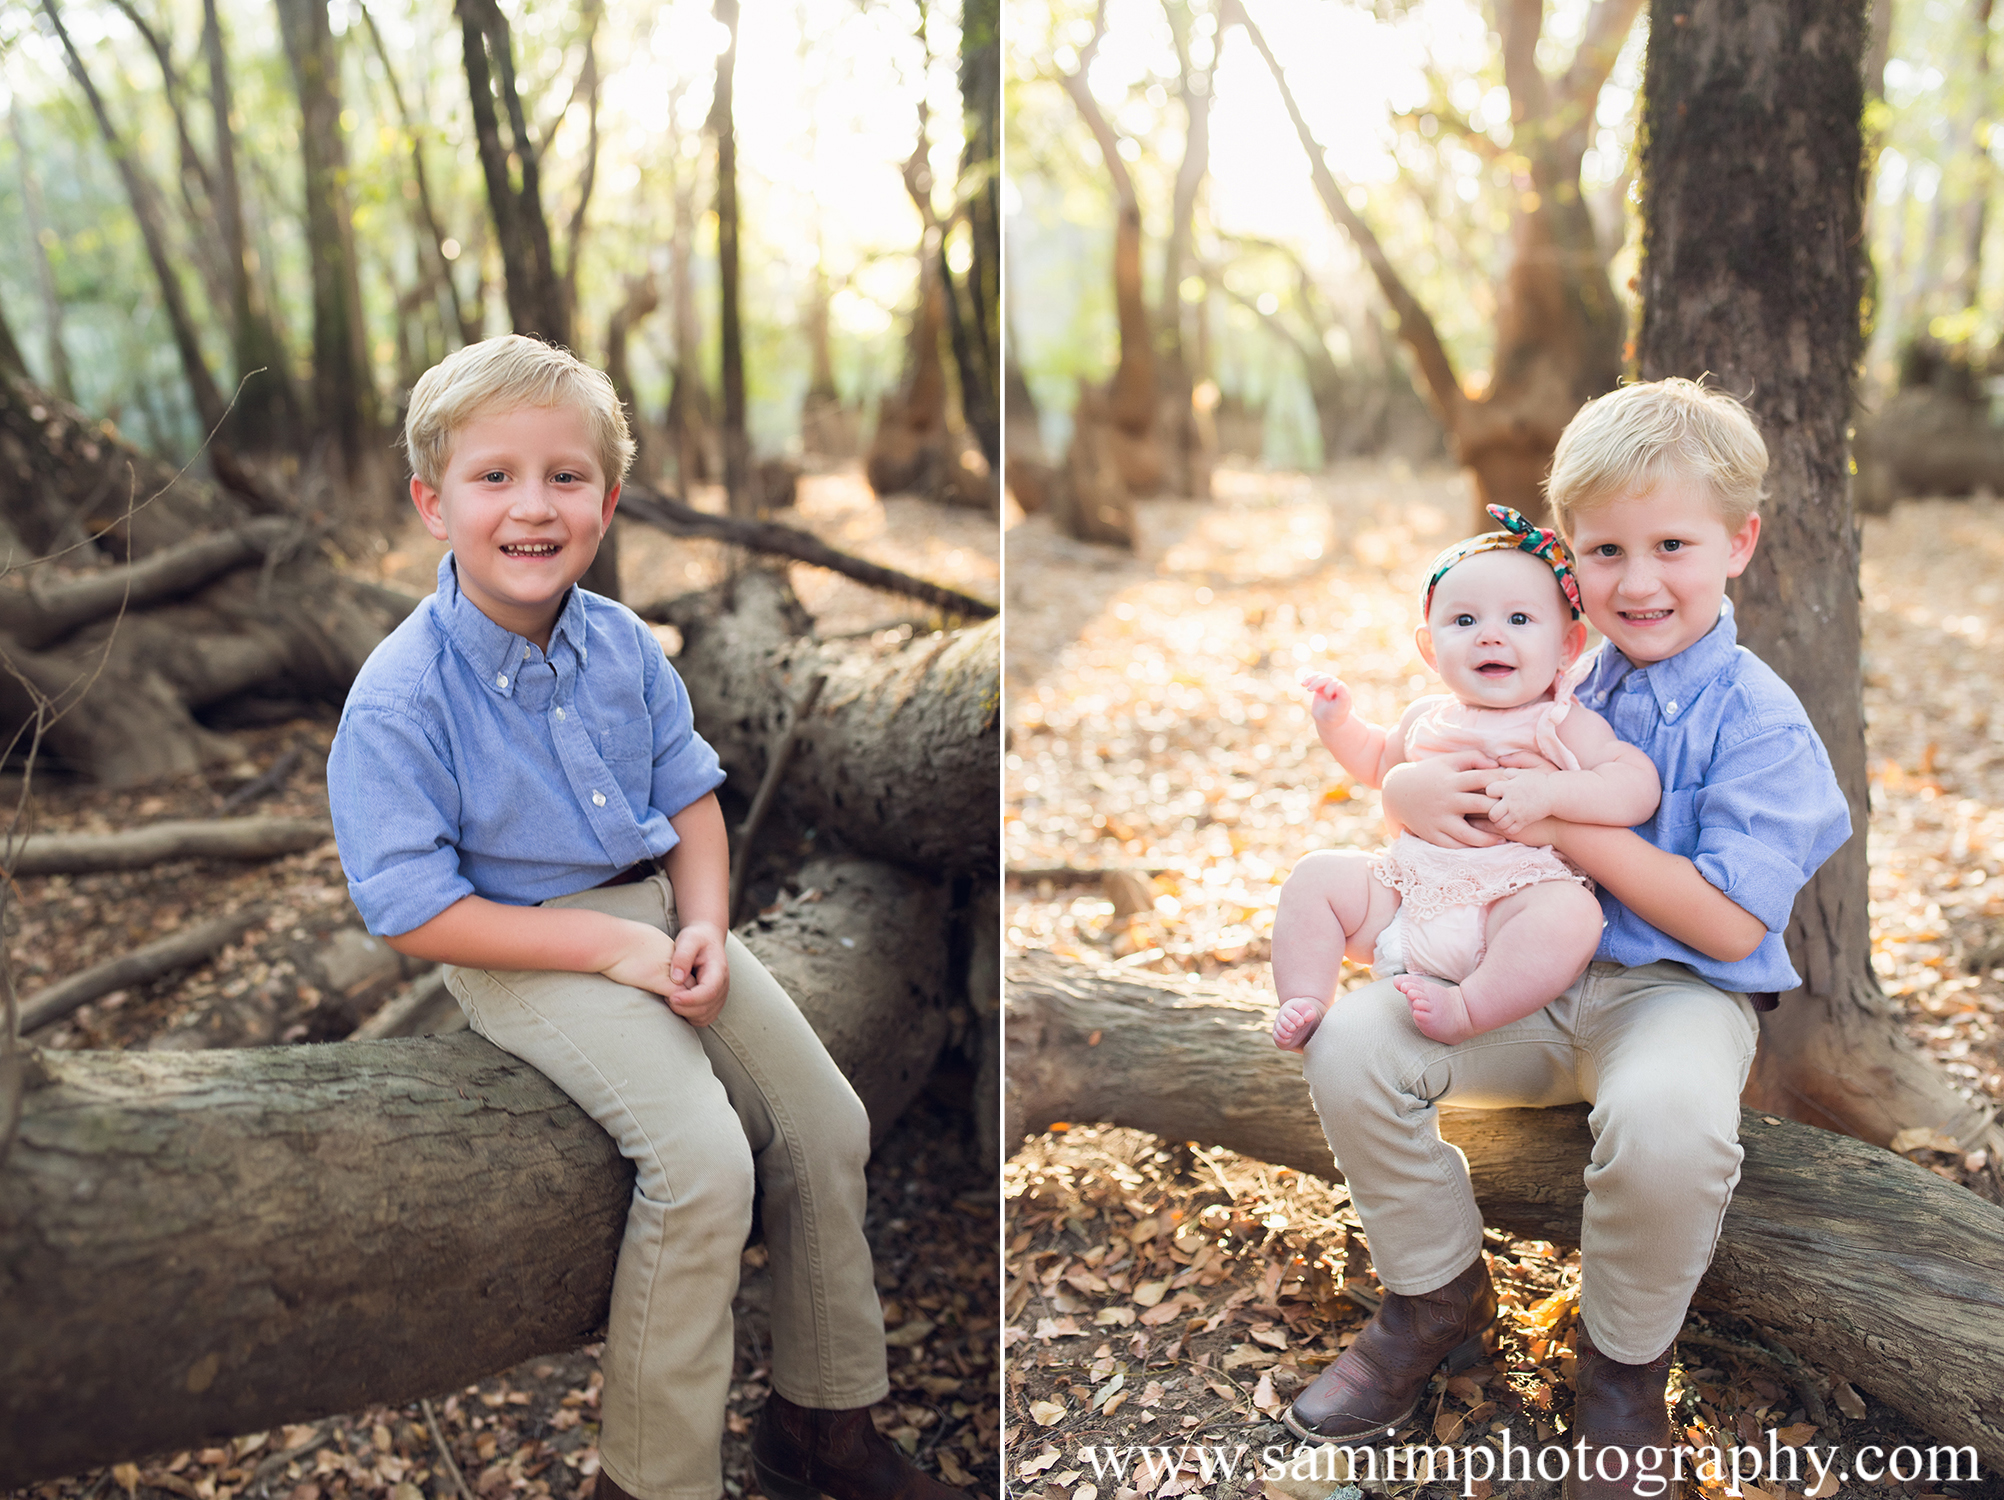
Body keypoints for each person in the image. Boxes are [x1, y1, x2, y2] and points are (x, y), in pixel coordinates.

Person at [326, 335, 963, 1500]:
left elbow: (691, 802)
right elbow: (414, 908)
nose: (533, 506)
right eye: (494, 477)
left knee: (824, 1120)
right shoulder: (402, 694)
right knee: (703, 1159)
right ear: (432, 503)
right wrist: (613, 947)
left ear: (608, 503)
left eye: (566, 477)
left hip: (662, 919)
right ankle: (652, 1480)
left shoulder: (621, 645)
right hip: (514, 945)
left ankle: (822, 1425)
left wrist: (705, 922)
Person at [1283, 379, 1851, 1500]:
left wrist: (1561, 822)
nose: (1640, 582)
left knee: (1671, 1123)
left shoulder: (1762, 722)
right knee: (1351, 1047)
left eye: (1673, 545)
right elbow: (1429, 762)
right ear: (1570, 569)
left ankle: (1623, 1373)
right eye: (1605, 551)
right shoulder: (1546, 659)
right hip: (1512, 982)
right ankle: (1436, 1295)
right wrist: (1401, 777)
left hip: (1674, 994)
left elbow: (1732, 920)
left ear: (1740, 542)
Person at [1271, 505, 1659, 1050]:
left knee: (1571, 915)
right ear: (1430, 647)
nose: (1490, 638)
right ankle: (1306, 998)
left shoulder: (1562, 723)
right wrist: (1338, 724)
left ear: (1567, 647)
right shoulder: (1424, 718)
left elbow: (1636, 786)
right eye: (1464, 621)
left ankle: (1469, 1008)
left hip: (1510, 909)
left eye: (1519, 620)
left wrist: (1551, 792)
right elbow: (1378, 764)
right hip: (1406, 898)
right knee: (1315, 877)